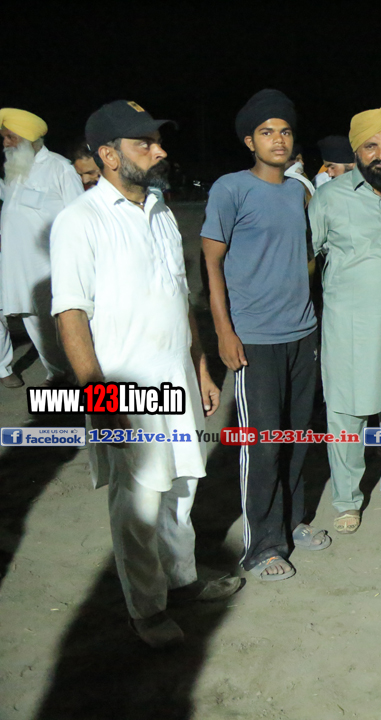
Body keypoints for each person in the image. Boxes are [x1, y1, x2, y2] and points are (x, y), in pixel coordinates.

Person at [51, 100, 241, 648]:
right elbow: (70, 315)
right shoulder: (80, 221)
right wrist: (99, 398)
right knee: (137, 502)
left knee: (181, 486)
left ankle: (181, 580)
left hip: (176, 378)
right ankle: (147, 609)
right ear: (109, 156)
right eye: (145, 144)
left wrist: (200, 368)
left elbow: (178, 297)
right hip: (126, 391)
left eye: (158, 141)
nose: (159, 152)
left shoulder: (159, 209)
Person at [202, 89, 328, 583]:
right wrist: (224, 331)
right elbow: (212, 263)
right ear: (249, 141)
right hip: (254, 337)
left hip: (302, 332)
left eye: (285, 131)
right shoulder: (230, 189)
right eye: (267, 132)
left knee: (295, 437)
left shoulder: (299, 192)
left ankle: (292, 522)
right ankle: (262, 545)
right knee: (263, 444)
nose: (278, 139)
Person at [308, 108, 381, 533]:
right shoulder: (329, 198)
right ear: (356, 150)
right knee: (346, 411)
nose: (380, 154)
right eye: (371, 146)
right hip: (348, 327)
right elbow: (307, 258)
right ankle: (347, 499)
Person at [0, 108, 81, 385]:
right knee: (29, 319)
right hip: (14, 264)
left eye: (10, 137)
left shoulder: (60, 168)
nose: (5, 143)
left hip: (47, 267)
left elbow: (78, 215)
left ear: (28, 138)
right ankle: (55, 374)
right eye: (4, 137)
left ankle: (74, 374)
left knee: (55, 323)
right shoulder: (15, 168)